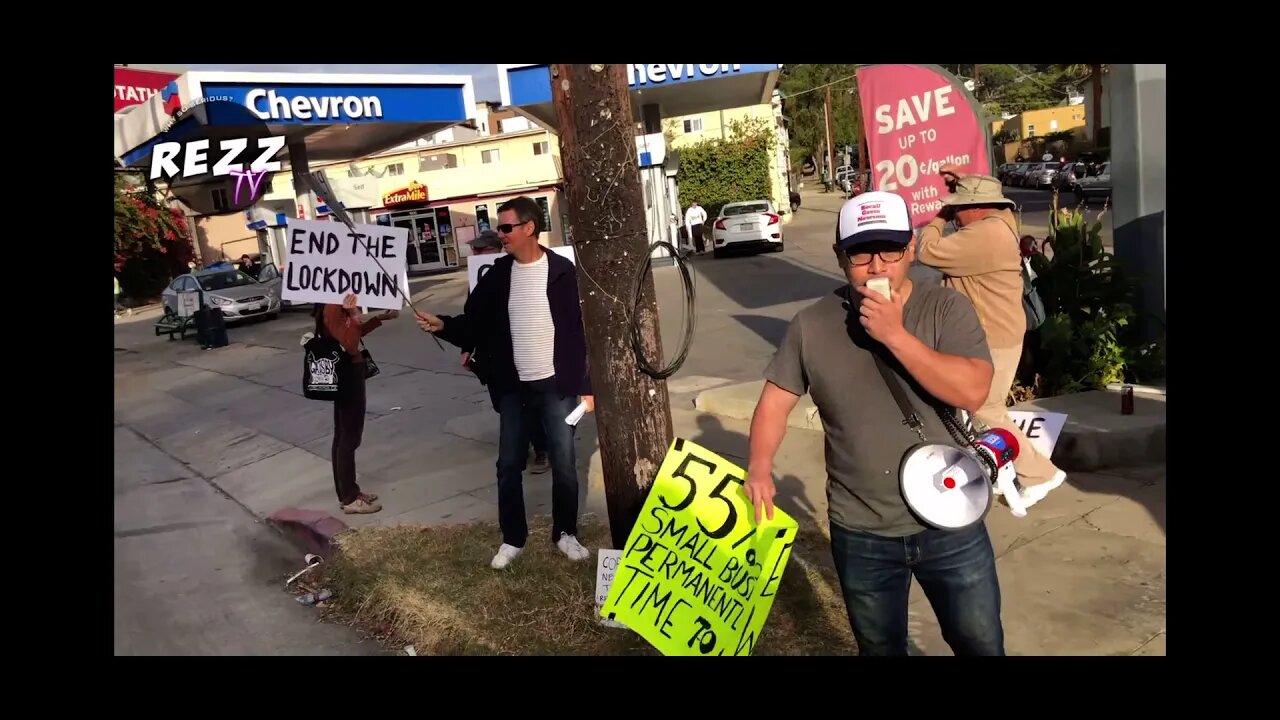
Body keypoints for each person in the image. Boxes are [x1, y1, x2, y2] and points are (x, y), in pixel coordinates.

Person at [745, 191, 1003, 656]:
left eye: (891, 249)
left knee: (979, 641)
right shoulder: (812, 325)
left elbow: (973, 389)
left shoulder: (944, 309)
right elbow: (773, 403)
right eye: (861, 252)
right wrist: (759, 468)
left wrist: (894, 336)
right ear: (841, 257)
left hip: (950, 520)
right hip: (861, 528)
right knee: (879, 646)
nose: (877, 266)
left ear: (909, 250)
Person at [414, 197, 594, 570]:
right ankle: (513, 538)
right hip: (514, 389)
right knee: (508, 464)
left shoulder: (563, 273)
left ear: (529, 228)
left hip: (556, 387)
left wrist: (587, 386)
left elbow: (581, 334)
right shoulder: (498, 275)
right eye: (499, 228)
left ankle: (565, 533)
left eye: (506, 227)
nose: (501, 235)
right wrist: (444, 325)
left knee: (564, 463)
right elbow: (474, 321)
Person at [915, 167, 1067, 508]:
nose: (955, 212)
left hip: (992, 338)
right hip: (996, 334)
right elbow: (985, 196)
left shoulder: (984, 235)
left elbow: (926, 250)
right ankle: (1000, 468)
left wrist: (939, 215)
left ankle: (1040, 474)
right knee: (981, 407)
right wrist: (964, 185)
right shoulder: (1000, 222)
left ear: (977, 207)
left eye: (958, 207)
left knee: (983, 406)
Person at [435, 229, 550, 474]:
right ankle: (524, 445)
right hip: (491, 356)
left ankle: (540, 448)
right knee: (503, 405)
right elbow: (472, 320)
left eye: (480, 249)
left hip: (520, 352)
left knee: (526, 405)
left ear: (495, 248)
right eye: (474, 249)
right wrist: (467, 348)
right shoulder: (481, 277)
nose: (475, 252)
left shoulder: (514, 271)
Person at [315, 292, 398, 515]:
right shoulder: (333, 306)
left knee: (344, 435)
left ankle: (348, 492)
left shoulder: (336, 303)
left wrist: (379, 319)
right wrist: (353, 313)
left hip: (350, 373)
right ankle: (350, 498)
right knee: (348, 437)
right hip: (347, 376)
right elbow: (350, 343)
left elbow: (353, 333)